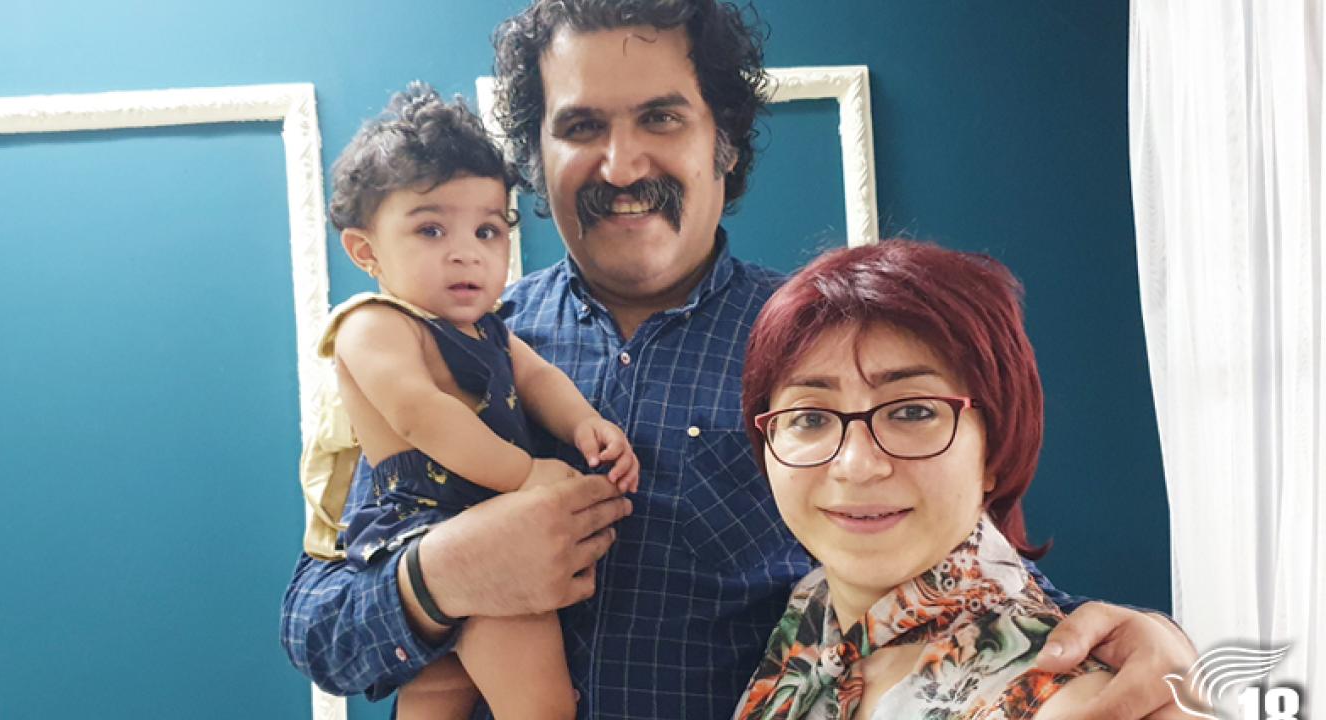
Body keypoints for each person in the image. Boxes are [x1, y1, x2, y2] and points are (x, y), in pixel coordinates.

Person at [282, 2, 1197, 717]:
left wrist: (1126, 640)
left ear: (724, 138)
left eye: (661, 117)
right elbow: (317, 627)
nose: (620, 161)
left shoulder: (816, 358)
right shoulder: (457, 350)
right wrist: (439, 579)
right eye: (580, 127)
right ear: (538, 155)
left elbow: (950, 566)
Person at [315, 83, 638, 719]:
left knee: (440, 690)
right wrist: (525, 475)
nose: (466, 251)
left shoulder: (491, 326)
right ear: (365, 251)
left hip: (488, 524)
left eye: (488, 230)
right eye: (431, 229)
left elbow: (541, 380)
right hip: (436, 531)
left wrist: (587, 425)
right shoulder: (373, 325)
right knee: (541, 702)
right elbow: (420, 414)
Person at [734, 241, 1112, 719]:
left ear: (994, 447)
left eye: (912, 411)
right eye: (810, 418)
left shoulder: (1069, 703)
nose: (856, 464)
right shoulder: (813, 607)